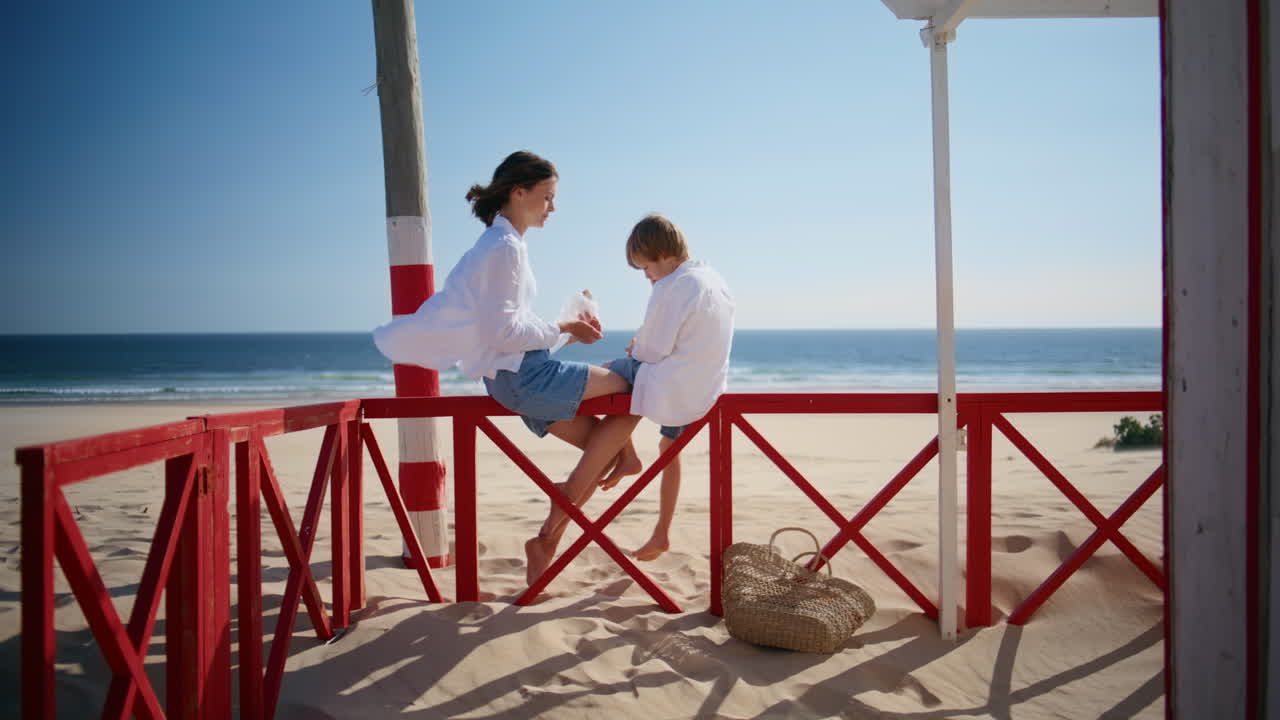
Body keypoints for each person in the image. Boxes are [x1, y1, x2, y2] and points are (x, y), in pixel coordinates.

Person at [372, 151, 643, 585]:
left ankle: (547, 540)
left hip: (510, 378)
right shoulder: (504, 249)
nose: (553, 207)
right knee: (638, 380)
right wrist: (563, 326)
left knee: (598, 452)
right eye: (548, 197)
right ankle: (625, 457)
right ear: (519, 192)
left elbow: (503, 330)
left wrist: (567, 334)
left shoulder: (499, 245)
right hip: (528, 378)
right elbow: (504, 332)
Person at [600, 214, 735, 561]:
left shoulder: (672, 285)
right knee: (668, 449)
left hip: (674, 380)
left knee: (602, 376)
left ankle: (626, 456)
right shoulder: (712, 278)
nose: (646, 276)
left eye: (645, 267)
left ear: (661, 255)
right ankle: (661, 534)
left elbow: (653, 349)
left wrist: (635, 348)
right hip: (704, 386)